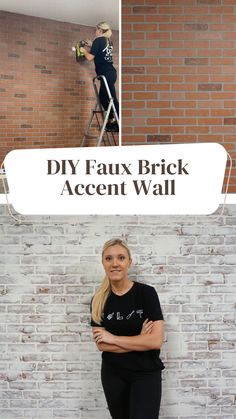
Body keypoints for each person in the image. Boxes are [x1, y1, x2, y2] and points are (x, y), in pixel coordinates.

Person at [90, 238, 165, 419]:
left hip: (145, 373)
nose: (114, 263)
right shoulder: (98, 300)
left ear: (129, 262)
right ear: (103, 263)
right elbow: (102, 345)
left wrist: (114, 338)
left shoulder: (146, 293)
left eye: (121, 258)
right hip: (113, 375)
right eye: (108, 258)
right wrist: (139, 339)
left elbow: (155, 341)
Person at [80, 22, 119, 133]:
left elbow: (90, 58)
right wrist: (92, 45)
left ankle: (119, 123)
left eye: (96, 30)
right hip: (109, 74)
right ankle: (111, 119)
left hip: (106, 74)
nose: (95, 31)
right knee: (103, 98)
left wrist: (84, 51)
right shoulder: (107, 41)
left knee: (112, 99)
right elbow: (101, 51)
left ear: (100, 30)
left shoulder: (98, 40)